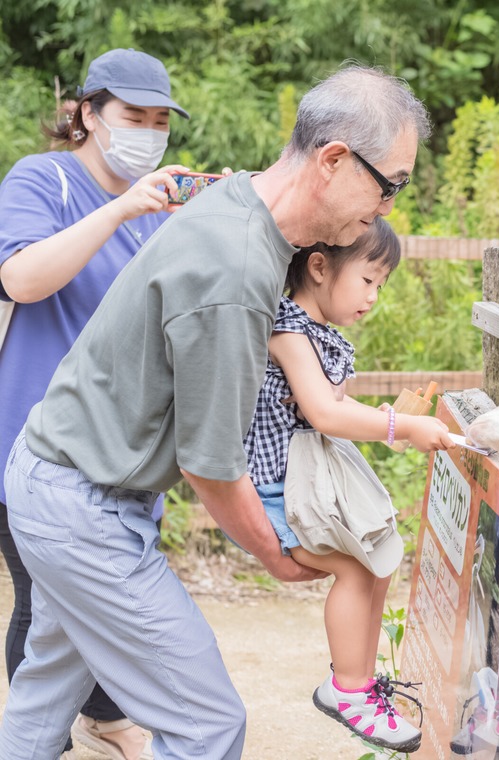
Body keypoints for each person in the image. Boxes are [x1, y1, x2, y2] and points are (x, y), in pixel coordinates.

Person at [0, 65, 442, 760]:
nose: (387, 206)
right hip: (82, 507)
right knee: (207, 725)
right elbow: (209, 464)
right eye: (391, 184)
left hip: (54, 473)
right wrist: (274, 556)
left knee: (45, 694)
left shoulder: (238, 200)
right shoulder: (236, 268)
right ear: (333, 160)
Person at [0, 47, 195, 760]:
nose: (148, 132)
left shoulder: (162, 211)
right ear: (88, 113)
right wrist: (120, 208)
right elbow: (21, 278)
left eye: (159, 121)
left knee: (100, 598)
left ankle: (101, 717)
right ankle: (45, 736)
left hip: (121, 452)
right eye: (132, 116)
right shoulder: (43, 178)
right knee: (45, 601)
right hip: (33, 445)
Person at [243, 219, 449, 752]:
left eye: (382, 284)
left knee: (379, 560)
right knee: (355, 568)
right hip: (279, 490)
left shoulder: (312, 333)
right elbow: (324, 413)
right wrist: (399, 427)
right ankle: (350, 691)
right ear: (318, 266)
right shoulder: (288, 332)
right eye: (368, 280)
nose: (374, 296)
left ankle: (358, 678)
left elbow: (331, 404)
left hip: (307, 481)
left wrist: (382, 417)